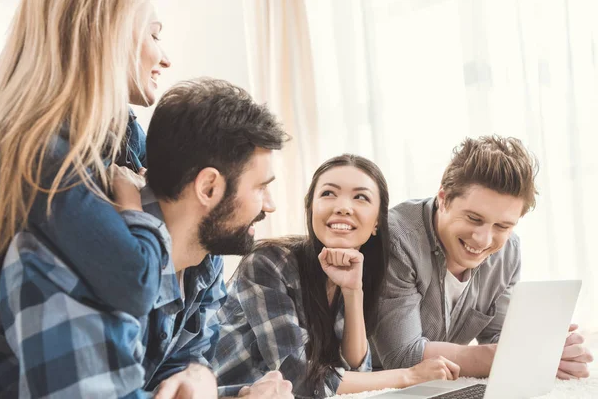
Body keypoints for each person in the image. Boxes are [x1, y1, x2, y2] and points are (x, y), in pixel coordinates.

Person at [0, 78, 294, 398]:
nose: (270, 205)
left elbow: (179, 370)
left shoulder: (204, 257)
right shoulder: (76, 260)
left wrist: (203, 376)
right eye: (261, 187)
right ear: (208, 187)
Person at [214, 154, 460, 399]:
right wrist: (410, 376)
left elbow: (355, 368)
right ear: (311, 208)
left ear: (376, 222)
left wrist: (353, 291)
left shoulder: (354, 269)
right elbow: (297, 376)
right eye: (328, 194)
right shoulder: (268, 263)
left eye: (360, 197)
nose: (343, 207)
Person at [0, 0, 173, 323]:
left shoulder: (124, 132)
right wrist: (134, 206)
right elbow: (137, 285)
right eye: (154, 35)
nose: (166, 59)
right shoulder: (42, 158)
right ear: (108, 35)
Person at [370, 135, 593, 379]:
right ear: (443, 200)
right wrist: (517, 357)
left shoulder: (507, 252)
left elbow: (499, 337)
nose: (484, 240)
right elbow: (402, 357)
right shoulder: (397, 239)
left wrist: (548, 349)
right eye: (474, 219)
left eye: (502, 226)